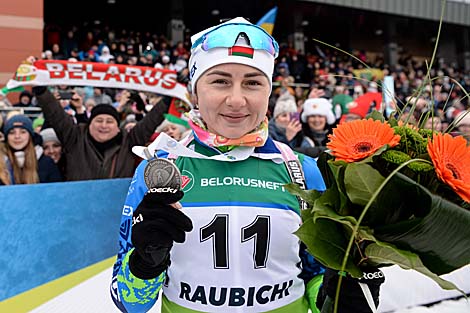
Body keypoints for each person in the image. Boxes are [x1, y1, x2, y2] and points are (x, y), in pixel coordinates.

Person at [110, 17, 384, 313]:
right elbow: (127, 302)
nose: (237, 100)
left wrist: (335, 297)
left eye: (252, 83)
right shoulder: (161, 171)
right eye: (220, 81)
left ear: (268, 93)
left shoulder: (301, 170)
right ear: (194, 93)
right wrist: (145, 263)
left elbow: (314, 274)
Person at [31, 84, 167, 181]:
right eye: (99, 120)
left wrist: (169, 99)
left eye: (109, 121)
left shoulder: (129, 141)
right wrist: (41, 89)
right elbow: (56, 115)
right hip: (77, 207)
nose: (103, 125)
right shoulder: (75, 137)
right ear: (90, 123)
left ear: (117, 126)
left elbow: (152, 120)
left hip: (116, 208)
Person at [2, 114, 62, 184]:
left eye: (23, 132)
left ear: (30, 136)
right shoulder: (2, 163)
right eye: (12, 133)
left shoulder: (46, 163)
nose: (17, 136)